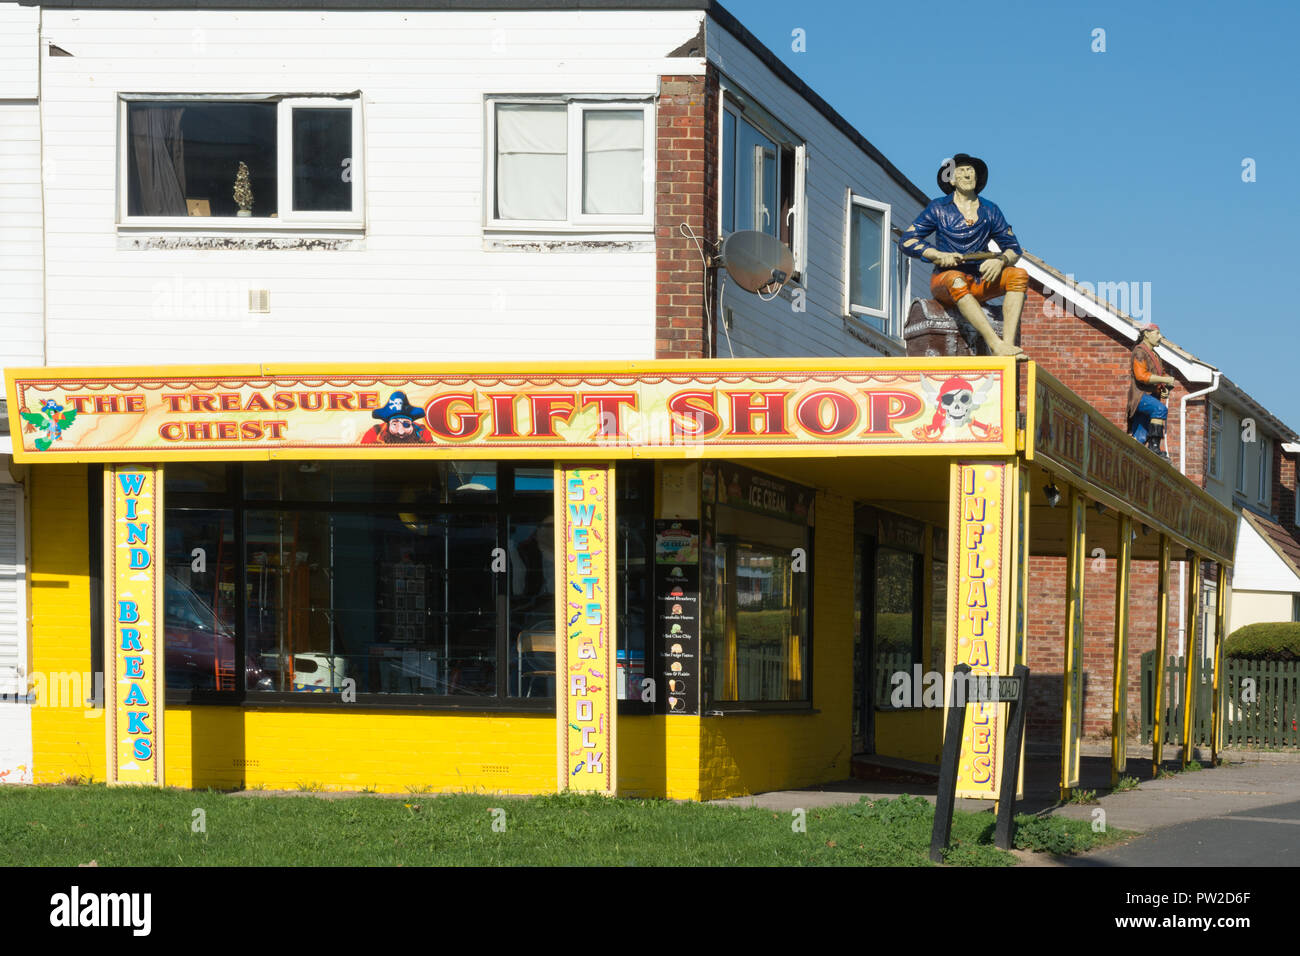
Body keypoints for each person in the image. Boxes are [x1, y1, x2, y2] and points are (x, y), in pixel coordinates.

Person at [899, 153, 1028, 357]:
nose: (967, 175)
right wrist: (936, 254)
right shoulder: (938, 207)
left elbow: (1013, 248)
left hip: (979, 280)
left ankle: (1008, 345)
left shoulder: (991, 210)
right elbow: (907, 240)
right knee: (956, 279)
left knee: (1018, 275)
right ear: (951, 179)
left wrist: (1000, 261)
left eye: (971, 171)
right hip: (946, 280)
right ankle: (995, 344)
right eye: (961, 171)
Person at [1128, 324, 1176, 458]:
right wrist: (1165, 380)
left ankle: (1132, 456)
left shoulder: (1155, 355)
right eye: (1157, 333)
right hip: (1141, 397)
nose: (1160, 337)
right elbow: (1141, 376)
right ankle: (1154, 446)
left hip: (1152, 397)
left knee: (1140, 437)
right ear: (1147, 334)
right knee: (1160, 409)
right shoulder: (1140, 352)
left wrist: (1163, 387)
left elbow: (1161, 374)